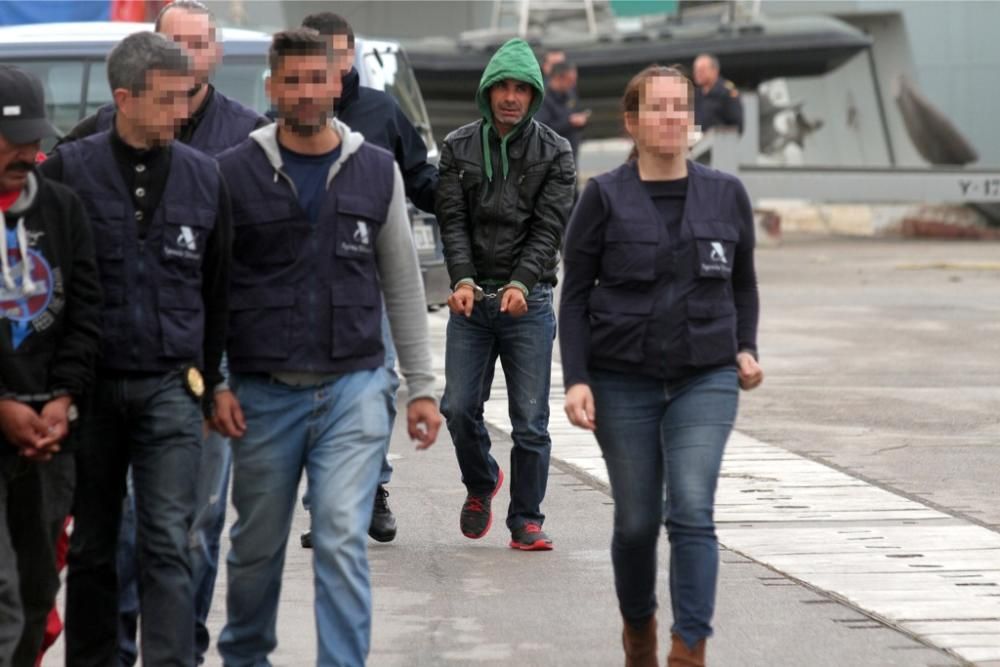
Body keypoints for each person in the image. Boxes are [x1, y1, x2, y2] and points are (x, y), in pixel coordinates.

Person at [213, 29, 441, 666]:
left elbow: (402, 284)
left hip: (354, 387)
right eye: (293, 80)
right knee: (256, 548)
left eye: (319, 79)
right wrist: (219, 380)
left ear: (338, 82)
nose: (308, 92)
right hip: (261, 392)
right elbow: (213, 290)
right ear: (271, 87)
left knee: (341, 537)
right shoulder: (234, 172)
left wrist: (420, 389)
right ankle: (246, 656)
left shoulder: (377, 170)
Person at [53, 3, 268, 662]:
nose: (184, 112)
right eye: (169, 99)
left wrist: (212, 388)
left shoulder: (207, 177)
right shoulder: (69, 170)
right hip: (90, 391)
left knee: (170, 539)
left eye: (187, 96)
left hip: (174, 389)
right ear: (125, 98)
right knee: (93, 543)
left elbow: (219, 288)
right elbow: (48, 285)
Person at [559, 64, 763, 666]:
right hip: (622, 380)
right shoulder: (602, 196)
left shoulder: (727, 194)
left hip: (706, 375)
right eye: (658, 107)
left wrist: (746, 347)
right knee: (636, 522)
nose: (672, 117)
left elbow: (744, 285)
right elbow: (574, 295)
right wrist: (576, 379)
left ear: (693, 120)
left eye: (681, 106)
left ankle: (689, 648)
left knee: (692, 510)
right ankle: (640, 629)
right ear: (633, 121)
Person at [296, 10, 440, 548]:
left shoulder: (382, 111)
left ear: (352, 55)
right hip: (307, 282)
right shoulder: (285, 116)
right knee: (318, 395)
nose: (330, 67)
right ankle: (326, 504)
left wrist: (465, 203)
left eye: (337, 55)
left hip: (373, 279)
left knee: (377, 387)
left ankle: (374, 490)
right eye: (318, 57)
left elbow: (422, 177)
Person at [435, 37, 575, 551]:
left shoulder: (557, 152)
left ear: (534, 95)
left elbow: (549, 228)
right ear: (488, 91)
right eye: (503, 87)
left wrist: (521, 282)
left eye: (521, 88)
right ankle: (482, 481)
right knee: (456, 407)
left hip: (529, 300)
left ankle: (527, 518)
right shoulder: (457, 147)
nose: (511, 97)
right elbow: (451, 222)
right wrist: (462, 280)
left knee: (531, 419)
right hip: (472, 302)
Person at [0, 65, 102, 667]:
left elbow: (86, 310)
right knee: (4, 593)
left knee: (38, 591)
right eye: (11, 140)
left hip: (49, 435)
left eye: (34, 139)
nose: (28, 152)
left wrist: (62, 398)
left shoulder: (61, 208)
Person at [535, 61, 588, 163]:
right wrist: (569, 122)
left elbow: (577, 111)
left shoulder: (570, 93)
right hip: (551, 156)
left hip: (570, 152)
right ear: (559, 78)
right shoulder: (543, 99)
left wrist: (581, 121)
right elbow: (542, 130)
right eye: (571, 80)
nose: (574, 84)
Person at [692, 53, 743, 134]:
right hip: (700, 144)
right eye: (696, 70)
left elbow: (737, 126)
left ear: (714, 70)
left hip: (721, 143)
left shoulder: (726, 92)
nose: (698, 73)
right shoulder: (696, 95)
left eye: (702, 70)